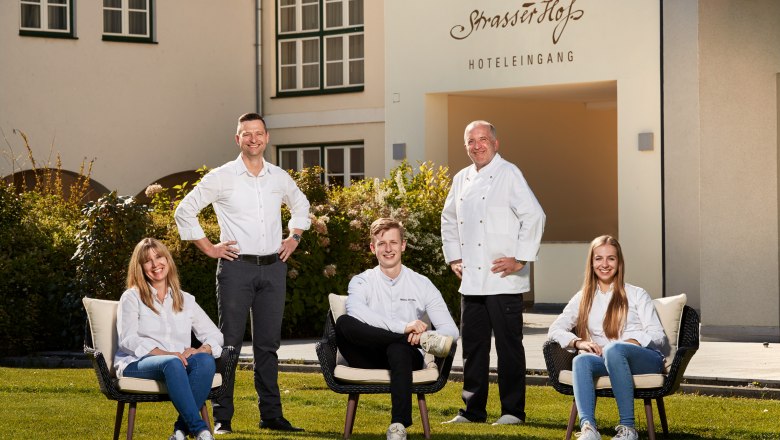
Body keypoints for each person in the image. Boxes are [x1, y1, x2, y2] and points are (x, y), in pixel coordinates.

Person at [174, 112, 311, 434]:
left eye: (258, 133)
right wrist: (209, 248)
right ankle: (223, 416)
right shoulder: (221, 177)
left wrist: (294, 237)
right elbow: (185, 210)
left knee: (268, 346)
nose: (253, 139)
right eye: (246, 134)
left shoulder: (279, 177)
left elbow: (301, 205)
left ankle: (272, 415)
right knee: (229, 344)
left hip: (273, 269)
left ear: (266, 137)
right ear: (237, 139)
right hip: (236, 269)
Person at [440, 120, 545, 425]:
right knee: (473, 349)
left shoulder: (509, 173)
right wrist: (454, 258)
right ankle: (472, 411)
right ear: (466, 147)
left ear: (495, 143)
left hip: (503, 281)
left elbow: (535, 216)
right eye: (470, 141)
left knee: (508, 348)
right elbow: (448, 219)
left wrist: (521, 259)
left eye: (482, 139)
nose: (477, 145)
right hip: (472, 280)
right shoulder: (461, 179)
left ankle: (513, 412)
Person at [336, 218, 459, 440]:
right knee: (344, 322)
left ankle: (398, 425)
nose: (388, 249)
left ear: (403, 245)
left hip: (405, 357)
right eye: (381, 243)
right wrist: (404, 329)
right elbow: (356, 313)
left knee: (397, 349)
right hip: (366, 355)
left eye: (393, 242)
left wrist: (425, 336)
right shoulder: (362, 281)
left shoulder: (421, 284)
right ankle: (402, 341)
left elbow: (451, 331)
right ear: (373, 248)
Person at [547, 235, 669, 440]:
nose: (605, 264)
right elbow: (555, 329)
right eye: (599, 258)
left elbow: (658, 336)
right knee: (582, 359)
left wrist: (630, 342)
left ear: (619, 262)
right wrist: (579, 342)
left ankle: (628, 429)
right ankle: (588, 429)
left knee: (614, 349)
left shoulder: (637, 294)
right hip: (608, 360)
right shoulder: (583, 297)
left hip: (644, 360)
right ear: (592, 263)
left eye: (611, 258)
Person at [115, 238, 224, 440]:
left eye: (159, 257)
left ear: (167, 260)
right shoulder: (131, 297)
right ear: (140, 268)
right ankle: (201, 430)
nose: (155, 264)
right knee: (172, 362)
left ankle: (180, 432)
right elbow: (127, 340)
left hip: (178, 362)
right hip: (137, 363)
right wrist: (166, 354)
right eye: (148, 261)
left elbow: (215, 334)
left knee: (205, 361)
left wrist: (201, 350)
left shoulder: (185, 299)